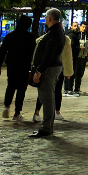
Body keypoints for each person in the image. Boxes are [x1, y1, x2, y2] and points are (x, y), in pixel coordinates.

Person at [28, 9, 66, 139]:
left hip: (49, 68)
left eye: (46, 17)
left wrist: (39, 71)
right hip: (52, 67)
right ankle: (47, 126)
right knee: (47, 97)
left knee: (47, 98)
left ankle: (47, 127)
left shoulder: (53, 33)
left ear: (49, 19)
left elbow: (48, 54)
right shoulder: (56, 31)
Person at [0, 14, 35, 122]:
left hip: (12, 65)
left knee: (11, 86)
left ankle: (6, 107)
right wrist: (32, 69)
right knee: (21, 89)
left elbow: (2, 52)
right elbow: (32, 55)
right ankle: (17, 113)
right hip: (24, 66)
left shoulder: (10, 36)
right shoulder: (30, 38)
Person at [64, 21, 81, 97]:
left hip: (71, 56)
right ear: (71, 27)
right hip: (71, 56)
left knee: (69, 72)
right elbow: (71, 46)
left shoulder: (72, 34)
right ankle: (69, 89)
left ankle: (67, 89)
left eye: (77, 26)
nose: (76, 27)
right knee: (70, 72)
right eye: (74, 26)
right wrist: (79, 48)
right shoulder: (71, 35)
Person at [72, 23, 88, 93]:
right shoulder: (77, 35)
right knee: (74, 73)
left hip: (84, 56)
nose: (84, 28)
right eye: (83, 27)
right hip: (77, 56)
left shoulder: (87, 36)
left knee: (80, 73)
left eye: (85, 27)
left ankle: (77, 88)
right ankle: (70, 88)